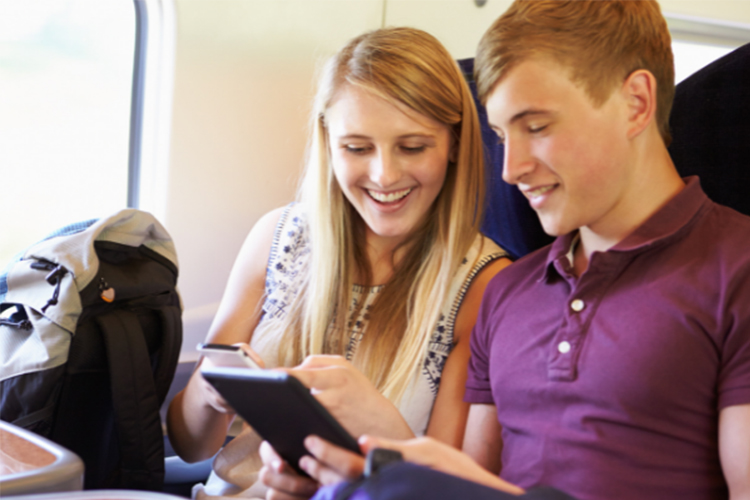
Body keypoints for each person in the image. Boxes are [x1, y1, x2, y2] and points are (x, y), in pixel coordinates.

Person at [260, 1, 750, 499]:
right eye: (499, 135)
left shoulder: (737, 271)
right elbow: (472, 488)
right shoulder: (510, 291)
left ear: (637, 103)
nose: (509, 170)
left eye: (536, 127)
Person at [166, 26, 511, 498]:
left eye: (412, 147)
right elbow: (189, 447)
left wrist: (381, 431)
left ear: (453, 144)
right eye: (357, 148)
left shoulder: (482, 286)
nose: (384, 175)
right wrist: (208, 394)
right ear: (329, 144)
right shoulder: (277, 238)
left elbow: (449, 488)